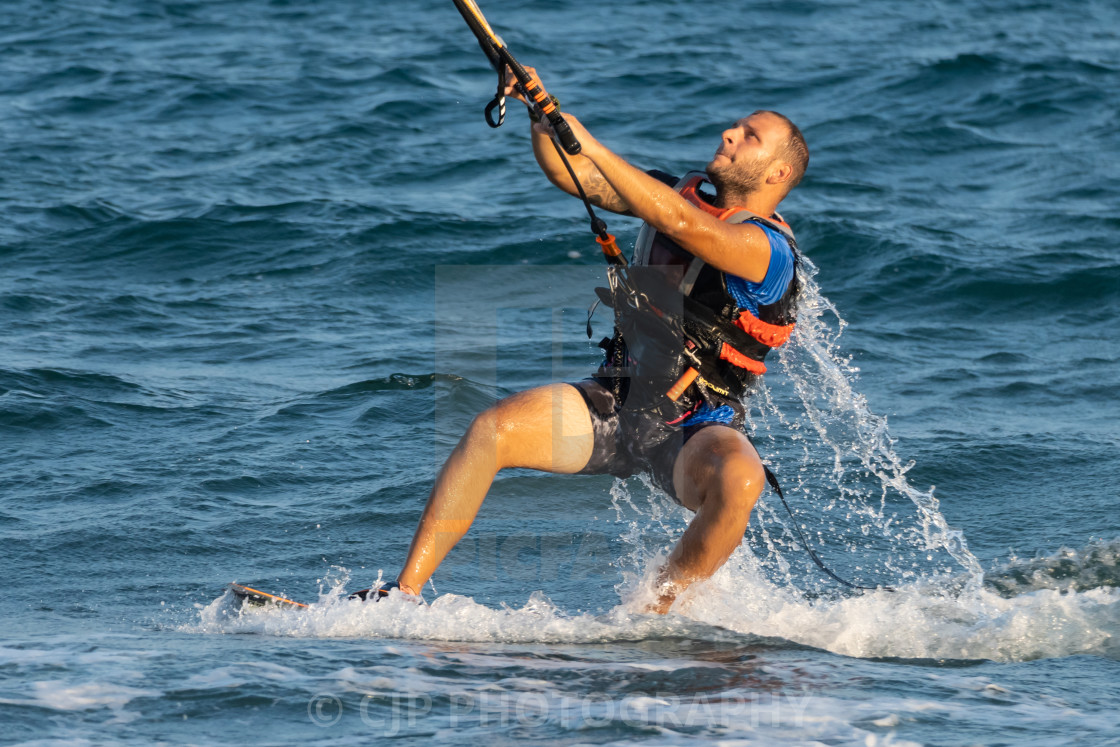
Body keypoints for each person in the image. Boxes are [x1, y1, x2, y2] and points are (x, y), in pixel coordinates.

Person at [382, 71, 809, 613]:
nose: (729, 134)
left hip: (697, 429)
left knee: (741, 480)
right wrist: (545, 118)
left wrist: (585, 135)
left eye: (750, 135)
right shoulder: (680, 193)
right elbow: (575, 173)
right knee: (493, 429)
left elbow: (675, 219)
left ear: (776, 172)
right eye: (736, 126)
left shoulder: (766, 251)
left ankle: (655, 613)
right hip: (615, 400)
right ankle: (400, 596)